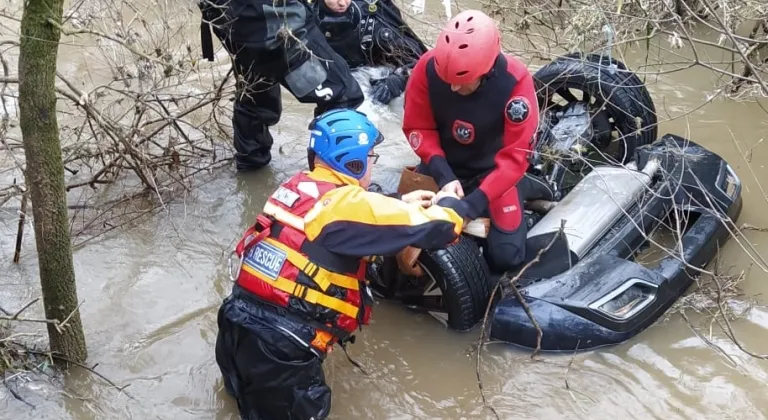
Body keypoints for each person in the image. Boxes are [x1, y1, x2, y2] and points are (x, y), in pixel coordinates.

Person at [215, 109, 466, 419]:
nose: (372, 164)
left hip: (235, 326)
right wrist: (451, 202)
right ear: (355, 161)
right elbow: (442, 227)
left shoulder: (298, 186)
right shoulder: (347, 207)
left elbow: (340, 221)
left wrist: (399, 203)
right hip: (280, 349)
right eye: (371, 157)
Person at [401, 9, 554, 273]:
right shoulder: (427, 69)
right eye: (447, 80)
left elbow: (514, 157)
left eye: (461, 82)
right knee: (400, 231)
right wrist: (445, 176)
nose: (453, 89)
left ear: (486, 69)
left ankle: (530, 187)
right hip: (445, 167)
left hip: (493, 172)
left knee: (506, 258)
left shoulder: (515, 83)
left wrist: (471, 207)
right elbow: (418, 127)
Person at [197, 0, 365, 172]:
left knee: (257, 86)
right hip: (266, 11)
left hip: (226, 11)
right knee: (343, 95)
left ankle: (251, 179)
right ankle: (332, 184)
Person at [309, 0, 428, 105]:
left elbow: (421, 63)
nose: (342, 3)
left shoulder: (372, 22)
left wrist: (397, 80)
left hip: (377, 77)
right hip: (340, 83)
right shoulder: (306, 22)